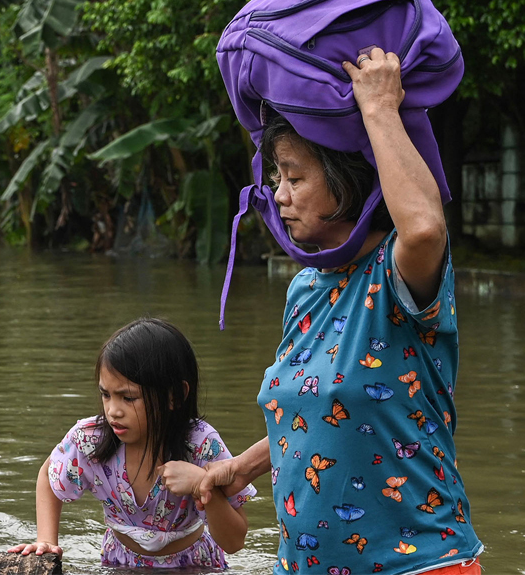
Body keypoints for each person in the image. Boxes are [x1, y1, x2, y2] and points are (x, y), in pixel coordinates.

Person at [186, 48, 483, 575]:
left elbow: (425, 227)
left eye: (295, 179)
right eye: (278, 179)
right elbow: (311, 412)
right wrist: (240, 468)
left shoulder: (398, 276)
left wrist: (379, 110)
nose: (278, 196)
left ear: (345, 183)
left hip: (418, 566)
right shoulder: (304, 289)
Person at [9, 318, 254, 570]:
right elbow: (49, 474)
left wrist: (203, 487)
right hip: (119, 564)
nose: (113, 411)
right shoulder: (91, 440)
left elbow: (234, 542)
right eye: (106, 395)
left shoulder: (201, 445)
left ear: (175, 396)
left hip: (194, 565)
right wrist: (47, 541)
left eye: (128, 397)